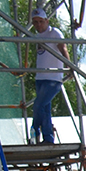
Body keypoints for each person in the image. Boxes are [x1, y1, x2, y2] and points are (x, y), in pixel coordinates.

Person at [29, 8, 67, 144]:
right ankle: (47, 138)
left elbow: (63, 48)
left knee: (38, 105)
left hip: (53, 78)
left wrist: (69, 66)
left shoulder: (54, 33)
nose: (38, 25)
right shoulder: (37, 36)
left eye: (41, 21)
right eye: (35, 22)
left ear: (46, 21)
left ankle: (34, 131)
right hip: (40, 77)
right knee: (44, 109)